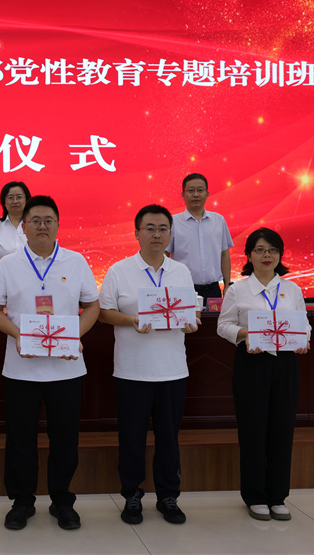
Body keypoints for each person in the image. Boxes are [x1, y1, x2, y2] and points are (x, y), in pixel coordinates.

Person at [0, 195, 100, 531]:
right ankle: (22, 501)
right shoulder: (8, 265)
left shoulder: (76, 261)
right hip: (21, 369)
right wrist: (18, 334)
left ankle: (62, 499)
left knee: (65, 438)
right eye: (35, 221)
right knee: (20, 438)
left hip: (66, 368)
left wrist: (75, 335)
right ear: (23, 227)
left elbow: (92, 306)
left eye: (49, 220)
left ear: (58, 225)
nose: (42, 226)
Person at [99, 204, 199, 526]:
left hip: (172, 370)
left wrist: (192, 323)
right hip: (132, 370)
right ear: (137, 233)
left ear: (170, 234)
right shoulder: (119, 270)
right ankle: (132, 495)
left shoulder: (181, 271)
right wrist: (132, 320)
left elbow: (192, 312)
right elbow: (103, 313)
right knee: (132, 438)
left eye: (163, 229)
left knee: (169, 438)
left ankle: (168, 496)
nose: (157, 235)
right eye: (150, 228)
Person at [217, 228, 310, 522]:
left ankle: (278, 496)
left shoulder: (292, 290)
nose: (266, 255)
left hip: (285, 364)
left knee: (282, 429)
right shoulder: (237, 289)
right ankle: (255, 495)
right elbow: (223, 325)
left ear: (280, 254)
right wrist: (245, 334)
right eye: (260, 250)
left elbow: (304, 323)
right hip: (252, 363)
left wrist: (304, 339)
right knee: (253, 429)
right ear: (249, 255)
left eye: (272, 250)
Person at [167, 173, 235, 302]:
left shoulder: (218, 220)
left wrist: (227, 285)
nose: (196, 194)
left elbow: (224, 253)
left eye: (200, 190)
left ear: (207, 194)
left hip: (213, 289)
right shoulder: (173, 222)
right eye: (191, 191)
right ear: (183, 195)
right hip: (182, 289)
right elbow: (165, 255)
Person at [0, 181, 31, 274]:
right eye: (10, 198)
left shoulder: (36, 226)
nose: (15, 201)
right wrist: (3, 279)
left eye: (19, 197)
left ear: (27, 200)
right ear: (4, 203)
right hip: (4, 279)